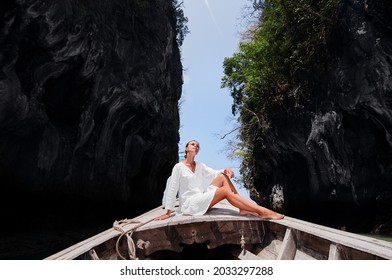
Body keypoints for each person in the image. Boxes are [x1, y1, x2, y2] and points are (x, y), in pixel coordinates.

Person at [156, 140, 284, 220]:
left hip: (200, 197)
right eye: (193, 144)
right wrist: (168, 212)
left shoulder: (200, 165)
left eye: (198, 146)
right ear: (186, 149)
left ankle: (243, 208)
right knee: (224, 191)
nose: (196, 146)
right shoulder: (179, 167)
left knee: (223, 176)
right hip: (190, 204)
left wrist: (225, 169)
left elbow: (214, 173)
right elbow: (173, 188)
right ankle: (262, 211)